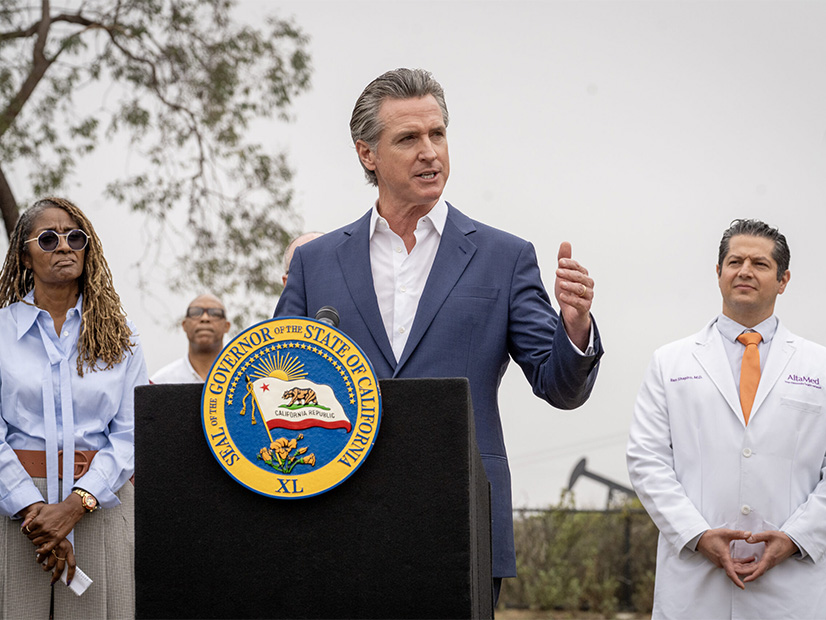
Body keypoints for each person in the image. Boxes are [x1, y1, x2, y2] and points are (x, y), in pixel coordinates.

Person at [274, 68, 604, 598]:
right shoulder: (316, 264)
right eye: (408, 138)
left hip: (463, 520)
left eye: (438, 134)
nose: (430, 151)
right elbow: (276, 383)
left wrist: (575, 325)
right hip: (335, 516)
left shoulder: (504, 256)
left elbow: (561, 387)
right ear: (367, 154)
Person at [627, 219, 826, 619]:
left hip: (791, 586)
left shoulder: (819, 366)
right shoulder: (671, 362)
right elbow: (646, 459)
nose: (745, 271)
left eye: (760, 263)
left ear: (783, 279)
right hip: (695, 583)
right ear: (718, 273)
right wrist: (697, 535)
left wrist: (795, 538)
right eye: (734, 261)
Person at [0, 197, 148, 617]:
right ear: (25, 257)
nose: (64, 246)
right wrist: (35, 510)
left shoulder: (121, 335)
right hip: (15, 503)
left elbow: (131, 432)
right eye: (48, 238)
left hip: (99, 500)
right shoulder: (1, 332)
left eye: (74, 237)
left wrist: (75, 505)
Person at [151, 293, 231, 383]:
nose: (205, 318)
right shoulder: (161, 383)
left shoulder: (244, 378)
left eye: (215, 313)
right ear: (184, 325)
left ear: (227, 326)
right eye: (195, 312)